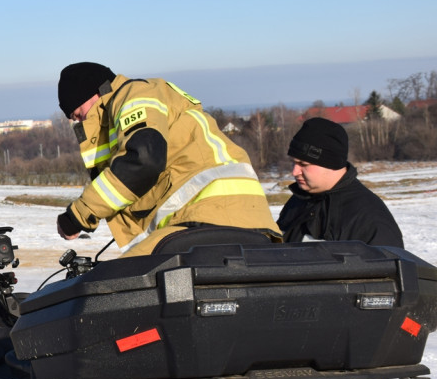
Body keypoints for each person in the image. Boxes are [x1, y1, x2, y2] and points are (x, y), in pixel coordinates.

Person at [55, 62, 280, 256]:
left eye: (77, 114)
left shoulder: (133, 94)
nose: (79, 121)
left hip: (207, 218)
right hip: (235, 219)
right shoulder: (141, 99)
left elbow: (142, 161)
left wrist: (78, 216)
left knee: (114, 290)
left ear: (94, 93)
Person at [277, 117, 403, 247]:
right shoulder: (298, 201)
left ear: (330, 163)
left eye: (303, 164)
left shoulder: (369, 218)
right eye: (293, 163)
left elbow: (388, 265)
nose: (294, 171)